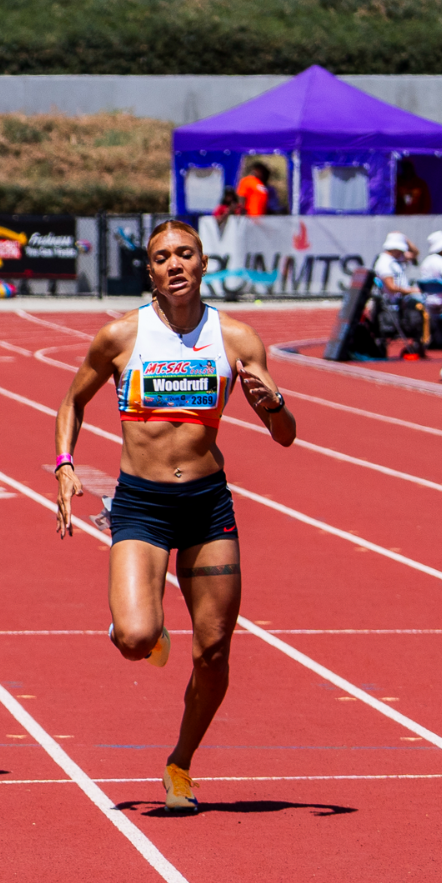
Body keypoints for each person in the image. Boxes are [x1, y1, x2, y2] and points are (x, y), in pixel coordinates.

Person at [52, 219, 295, 813]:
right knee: (137, 638)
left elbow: (286, 436)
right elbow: (71, 402)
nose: (175, 264)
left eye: (186, 253)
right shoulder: (119, 336)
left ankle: (180, 763)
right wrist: (64, 464)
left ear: (204, 262)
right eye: (163, 257)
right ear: (152, 272)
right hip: (142, 502)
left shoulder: (236, 338)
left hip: (208, 504)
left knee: (214, 652)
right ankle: (135, 626)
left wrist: (275, 404)